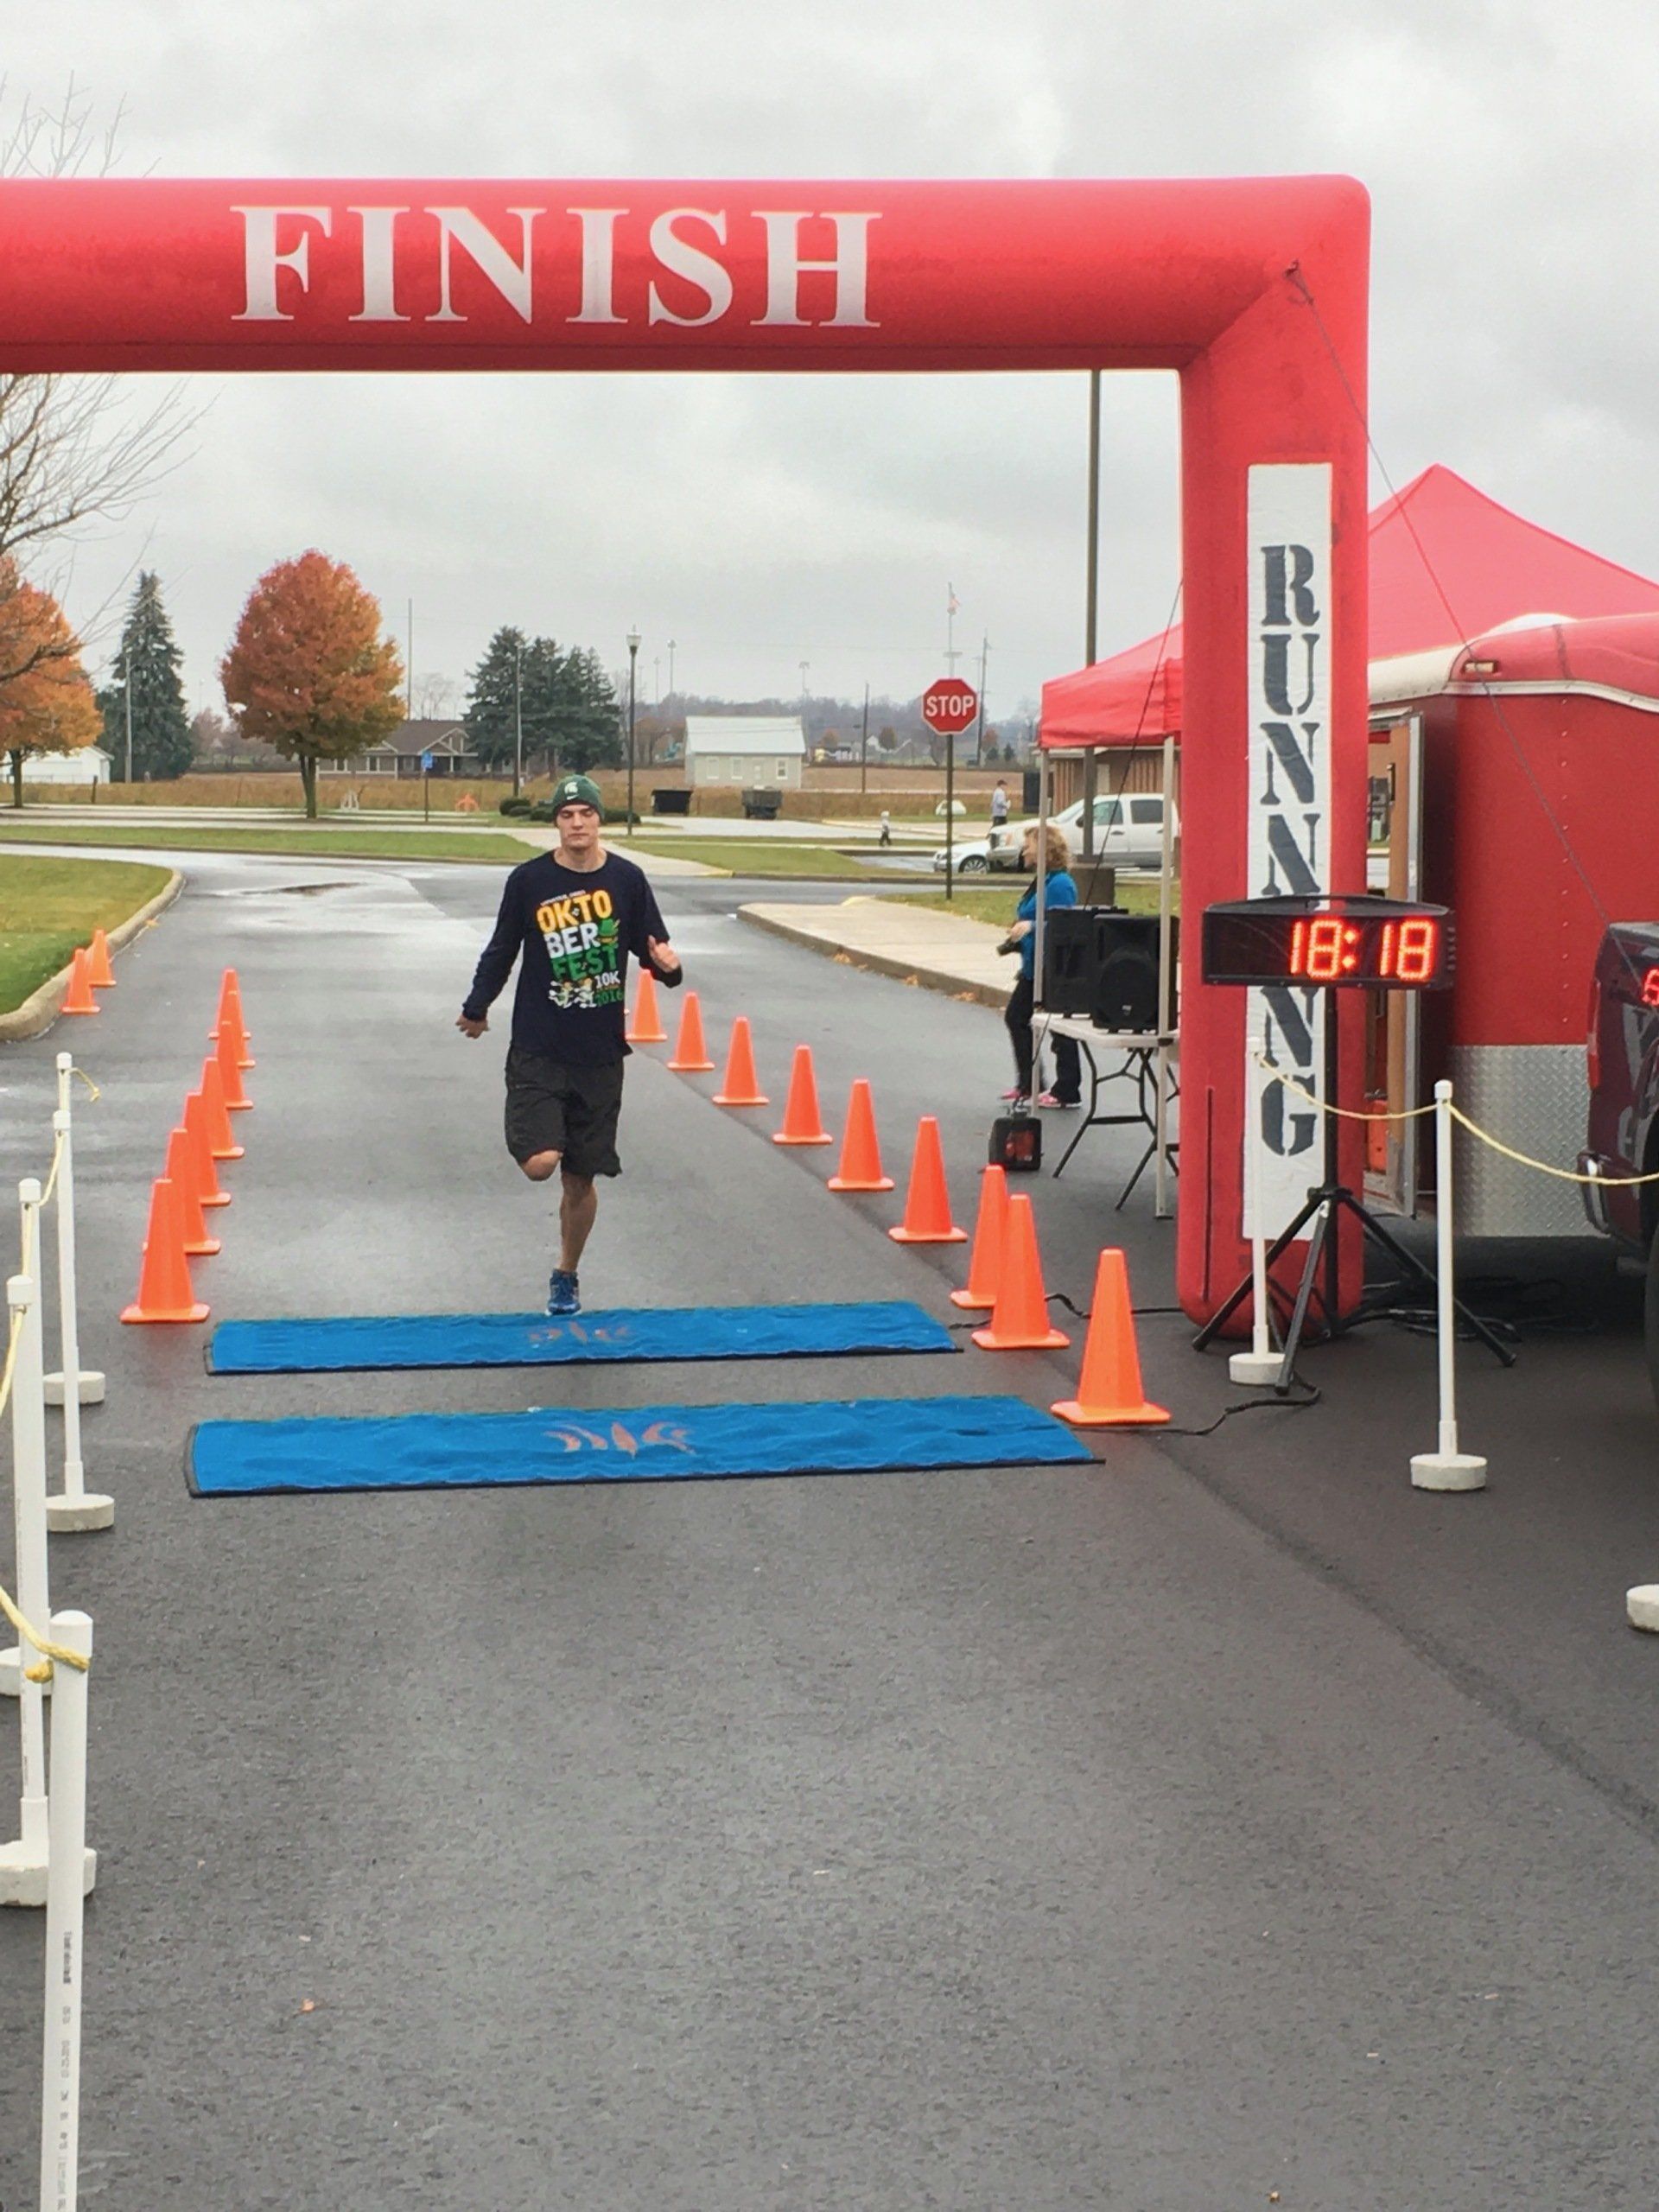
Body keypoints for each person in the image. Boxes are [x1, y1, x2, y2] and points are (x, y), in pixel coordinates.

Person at [456, 772, 683, 1314]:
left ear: (599, 819)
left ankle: (566, 1273)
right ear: (555, 823)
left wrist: (670, 970)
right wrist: (477, 1006)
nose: (577, 823)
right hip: (539, 1046)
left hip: (600, 1055)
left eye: (585, 814)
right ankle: (531, 1136)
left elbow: (653, 949)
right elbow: (501, 949)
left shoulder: (627, 881)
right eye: (566, 815)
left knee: (579, 1180)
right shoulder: (529, 882)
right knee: (541, 1163)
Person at [1001, 822, 1081, 1109]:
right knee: (1018, 1018)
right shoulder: (1042, 880)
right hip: (1033, 965)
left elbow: (1064, 925)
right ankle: (1029, 1083)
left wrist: (1032, 925)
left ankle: (1067, 1089)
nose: (1024, 849)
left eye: (1030, 844)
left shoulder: (1060, 884)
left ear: (1045, 850)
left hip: (1051, 967)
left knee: (1058, 1027)